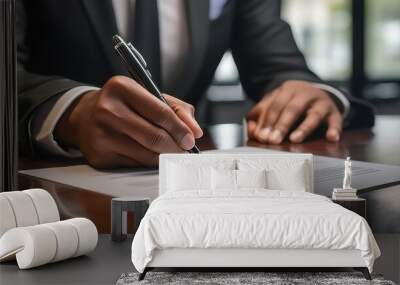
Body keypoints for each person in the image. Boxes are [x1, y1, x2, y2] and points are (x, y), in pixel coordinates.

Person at [17, 0, 374, 168]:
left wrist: (311, 93)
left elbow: (278, 67)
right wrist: (71, 112)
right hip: (49, 203)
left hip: (186, 188)